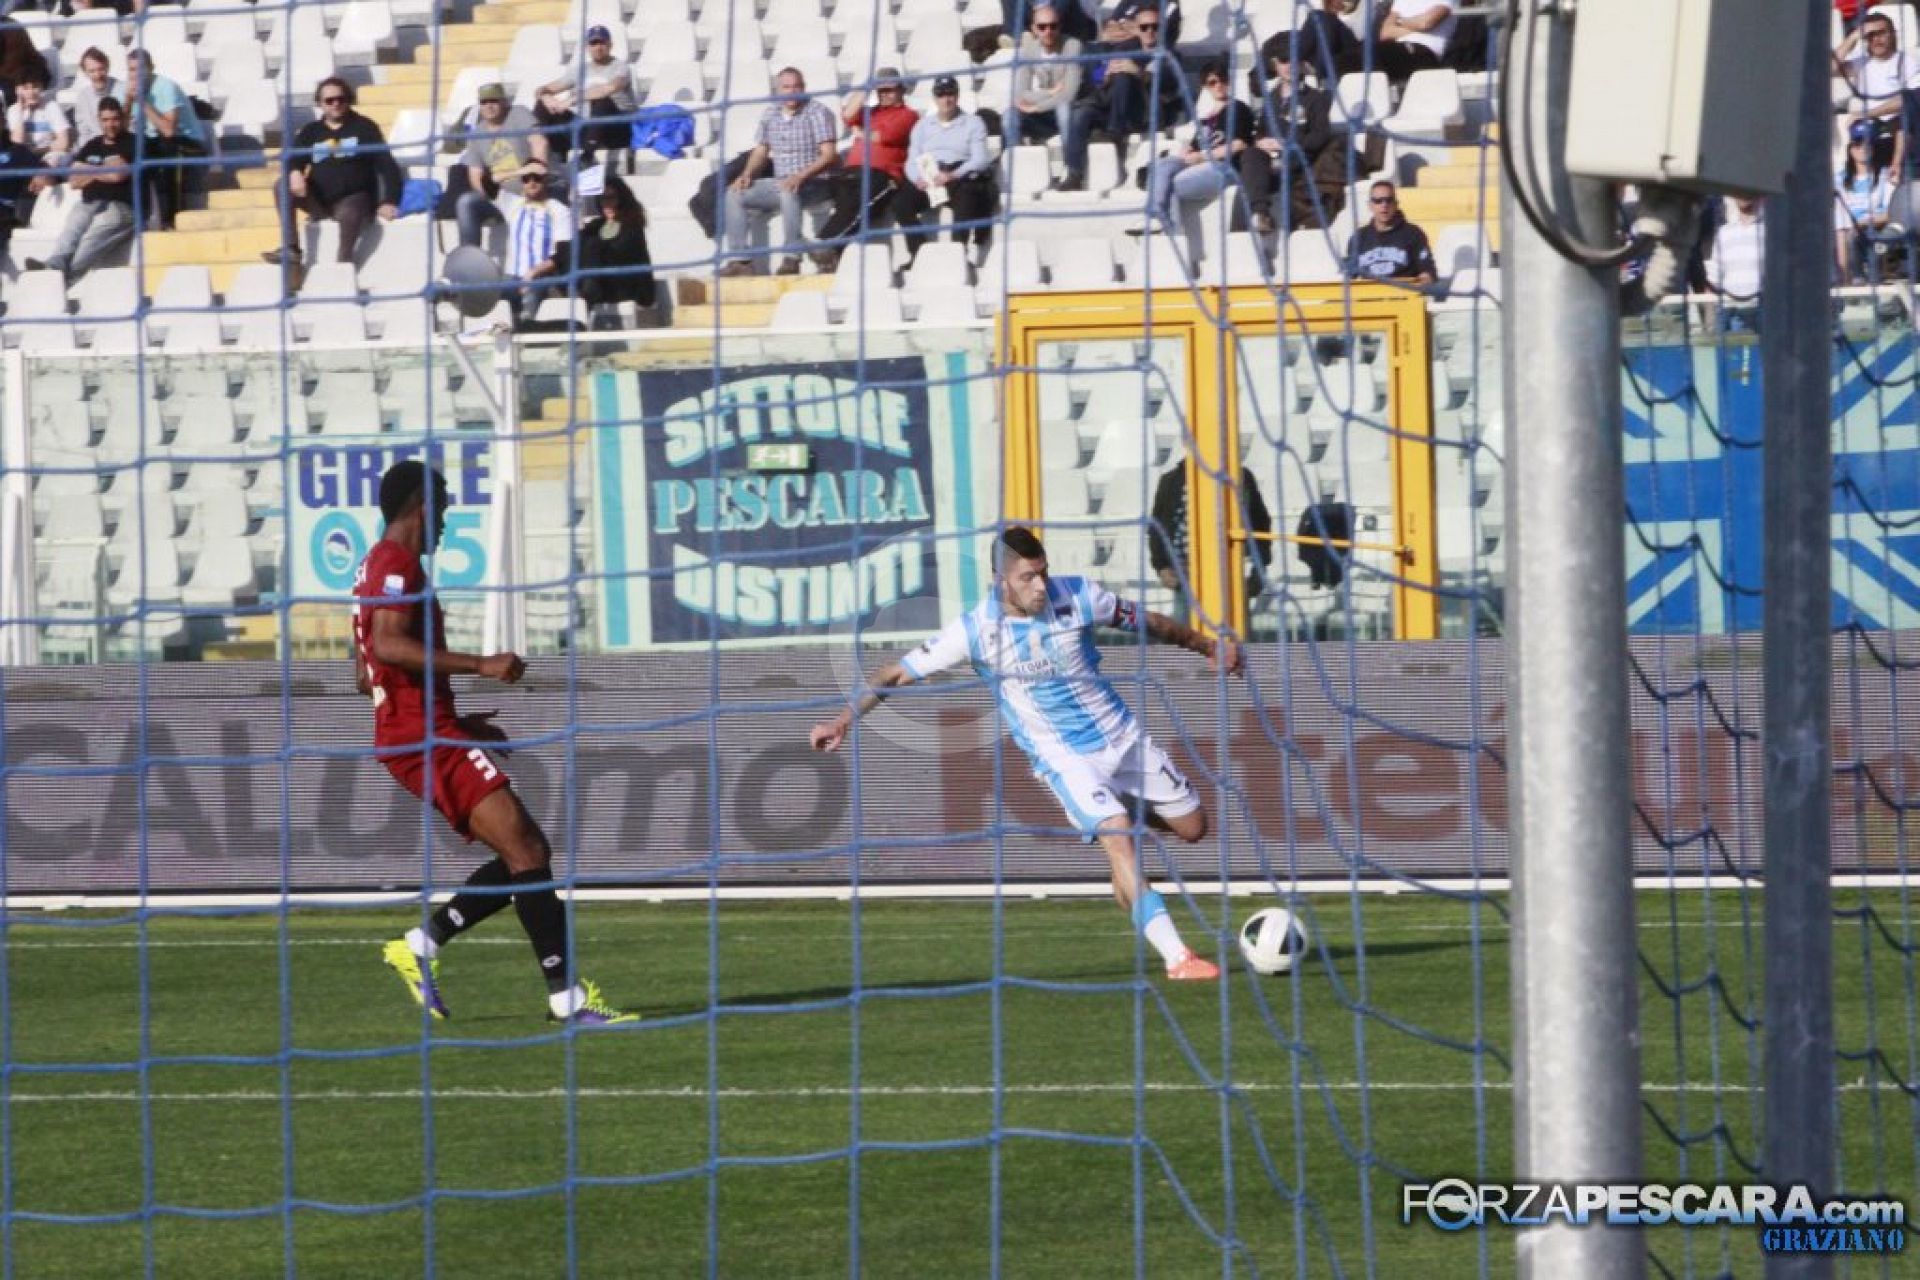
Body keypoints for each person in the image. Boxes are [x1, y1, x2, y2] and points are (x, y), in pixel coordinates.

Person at [809, 526, 1242, 982]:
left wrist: (1208, 647)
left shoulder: (1078, 595)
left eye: (1044, 573)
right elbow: (893, 675)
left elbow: (1149, 622)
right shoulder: (976, 630)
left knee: (1193, 827)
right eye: (1028, 578)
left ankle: (1120, 824)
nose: (1041, 586)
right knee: (1118, 837)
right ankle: (1178, 958)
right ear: (1001, 580)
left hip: (1123, 739)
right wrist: (841, 721)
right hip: (1063, 758)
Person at [358, 461, 635, 1027]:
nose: (445, 521)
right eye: (443, 507)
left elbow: (366, 674)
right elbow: (386, 646)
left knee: (525, 852)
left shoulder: (374, 566)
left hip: (423, 732)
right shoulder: (396, 563)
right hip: (422, 739)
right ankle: (566, 1001)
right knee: (528, 853)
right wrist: (481, 665)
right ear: (421, 506)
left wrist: (452, 718)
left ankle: (421, 945)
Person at [263, 78, 403, 272]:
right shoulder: (311, 131)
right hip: (318, 200)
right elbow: (292, 158)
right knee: (281, 185)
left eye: (340, 99)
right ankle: (291, 248)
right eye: (329, 100)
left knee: (351, 210)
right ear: (320, 104)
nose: (335, 104)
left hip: (353, 199)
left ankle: (343, 264)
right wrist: (294, 172)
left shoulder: (365, 127)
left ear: (348, 100)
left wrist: (389, 200)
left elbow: (387, 165)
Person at [720, 67, 839, 277]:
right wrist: (747, 174)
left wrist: (800, 176)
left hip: (815, 182)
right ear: (777, 90)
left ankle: (792, 257)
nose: (792, 91)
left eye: (796, 86)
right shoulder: (770, 113)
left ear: (803, 88)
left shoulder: (818, 112)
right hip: (781, 181)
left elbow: (829, 155)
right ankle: (740, 260)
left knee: (788, 190)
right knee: (734, 193)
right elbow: (760, 151)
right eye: (786, 87)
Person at [1058, 4, 1177, 191]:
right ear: (1136, 29)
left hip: (1144, 113)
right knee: (1081, 114)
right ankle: (1074, 173)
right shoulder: (1125, 48)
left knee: (1124, 75)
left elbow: (1168, 82)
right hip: (1112, 107)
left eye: (1155, 27)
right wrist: (1104, 75)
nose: (1150, 31)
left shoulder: (1169, 55)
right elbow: (1096, 77)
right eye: (1144, 27)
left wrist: (1137, 72)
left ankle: (1115, 133)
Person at [815, 67, 918, 272]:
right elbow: (847, 114)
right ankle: (831, 254)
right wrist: (866, 87)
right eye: (881, 90)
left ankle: (825, 243)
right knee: (847, 206)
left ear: (901, 90)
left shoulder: (908, 115)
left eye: (889, 90)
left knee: (857, 206)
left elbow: (885, 137)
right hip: (852, 172)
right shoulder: (871, 112)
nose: (884, 94)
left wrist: (860, 132)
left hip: (882, 174)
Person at [26, 97, 134, 281]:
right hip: (90, 202)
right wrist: (105, 169)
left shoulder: (132, 142)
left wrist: (89, 170)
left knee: (90, 239)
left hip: (122, 206)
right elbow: (74, 181)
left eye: (115, 119)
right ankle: (55, 265)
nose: (110, 125)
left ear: (122, 119)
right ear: (99, 119)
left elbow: (118, 176)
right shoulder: (92, 145)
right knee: (73, 228)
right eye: (105, 120)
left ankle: (59, 280)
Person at [1135, 62, 1250, 233]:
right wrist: (1188, 151)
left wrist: (1202, 156)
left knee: (1167, 185)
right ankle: (1158, 220)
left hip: (1225, 167)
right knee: (1162, 165)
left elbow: (1238, 145)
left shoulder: (1238, 108)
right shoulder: (1206, 119)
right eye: (1212, 82)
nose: (1219, 85)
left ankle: (1166, 227)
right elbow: (1195, 147)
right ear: (1205, 87)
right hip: (1201, 165)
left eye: (1223, 80)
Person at [894, 75, 998, 262]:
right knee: (900, 202)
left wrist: (953, 175)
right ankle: (919, 253)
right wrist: (918, 178)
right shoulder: (922, 125)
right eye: (941, 95)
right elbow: (911, 160)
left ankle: (957, 257)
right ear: (934, 98)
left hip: (958, 175)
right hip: (930, 174)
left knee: (967, 197)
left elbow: (980, 159)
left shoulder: (973, 122)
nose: (946, 99)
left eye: (950, 94)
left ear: (957, 96)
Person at [1150, 462, 1274, 609]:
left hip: (1230, 575)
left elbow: (1260, 523)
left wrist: (1259, 569)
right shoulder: (1171, 480)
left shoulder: (1240, 476)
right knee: (1187, 621)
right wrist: (1162, 566)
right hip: (1185, 577)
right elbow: (1156, 527)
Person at [1238, 50, 1335, 234]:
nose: (1289, 65)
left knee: (1258, 174)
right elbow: (1260, 131)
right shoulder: (1271, 98)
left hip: (1299, 159)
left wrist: (1285, 143)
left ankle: (1265, 217)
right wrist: (1261, 142)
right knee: (1250, 156)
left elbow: (1320, 136)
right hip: (1270, 159)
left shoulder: (1316, 98)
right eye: (1284, 60)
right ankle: (1261, 214)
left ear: (1301, 65)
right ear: (1276, 65)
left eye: (1294, 60)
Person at [455, 82, 549, 249]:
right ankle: (470, 256)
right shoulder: (477, 133)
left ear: (504, 102)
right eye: (484, 102)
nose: (489, 106)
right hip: (502, 197)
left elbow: (539, 143)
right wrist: (489, 197)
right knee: (466, 202)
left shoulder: (518, 113)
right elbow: (475, 174)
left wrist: (535, 179)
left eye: (494, 101)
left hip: (534, 189)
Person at [126, 49, 208, 231]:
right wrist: (127, 101)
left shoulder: (166, 87)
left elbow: (169, 130)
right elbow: (123, 129)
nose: (136, 74)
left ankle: (173, 217)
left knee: (169, 148)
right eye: (131, 69)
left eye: (140, 69)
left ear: (151, 68)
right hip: (156, 140)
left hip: (187, 141)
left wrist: (142, 102)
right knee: (133, 151)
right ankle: (141, 219)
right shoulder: (128, 89)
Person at [1834, 8, 1920, 170]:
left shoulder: (1907, 63)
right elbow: (1829, 69)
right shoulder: (1861, 63)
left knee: (1903, 120)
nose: (1876, 39)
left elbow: (1910, 100)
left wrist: (1868, 113)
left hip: (1900, 126)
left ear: (1893, 34)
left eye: (1881, 33)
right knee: (1859, 129)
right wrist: (1854, 36)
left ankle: (1896, 167)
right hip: (1870, 128)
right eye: (1870, 35)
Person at [536, 24, 635, 158]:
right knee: (542, 106)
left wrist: (573, 99)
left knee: (601, 101)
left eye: (602, 43)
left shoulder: (620, 68)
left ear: (610, 45)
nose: (598, 47)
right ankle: (545, 157)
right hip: (586, 126)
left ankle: (587, 157)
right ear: (588, 47)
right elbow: (543, 89)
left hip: (616, 125)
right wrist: (545, 97)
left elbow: (610, 88)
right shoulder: (580, 70)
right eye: (594, 43)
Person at [501, 158, 572, 321]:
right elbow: (487, 182)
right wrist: (519, 172)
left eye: (537, 178)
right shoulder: (512, 204)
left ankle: (527, 331)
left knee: (532, 292)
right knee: (488, 293)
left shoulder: (559, 210)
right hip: (512, 277)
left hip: (543, 276)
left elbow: (562, 254)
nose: (531, 182)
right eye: (526, 178)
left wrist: (533, 273)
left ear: (546, 179)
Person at [575, 178, 655, 317]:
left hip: (624, 283)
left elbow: (620, 253)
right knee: (575, 247)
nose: (607, 203)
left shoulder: (632, 226)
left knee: (593, 246)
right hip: (599, 283)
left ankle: (589, 289)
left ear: (621, 199)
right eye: (603, 198)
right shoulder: (596, 225)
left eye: (611, 198)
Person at [1835, 122, 1900, 283]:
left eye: (1868, 143)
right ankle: (1850, 280)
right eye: (1858, 143)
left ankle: (1869, 279)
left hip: (1877, 229)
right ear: (1850, 149)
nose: (1863, 147)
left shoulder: (1886, 176)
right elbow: (1839, 220)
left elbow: (1892, 213)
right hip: (1848, 232)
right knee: (1846, 235)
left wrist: (1865, 223)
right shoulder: (1839, 180)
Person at [1011, 6, 1084, 147]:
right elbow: (1020, 96)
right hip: (1046, 112)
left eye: (1053, 26)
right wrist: (1050, 92)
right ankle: (1013, 157)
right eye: (1042, 27)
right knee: (1010, 116)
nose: (1048, 31)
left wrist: (1037, 107)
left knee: (1063, 109)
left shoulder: (1072, 46)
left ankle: (1070, 158)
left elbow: (1069, 94)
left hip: (1071, 110)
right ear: (1034, 29)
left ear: (1060, 27)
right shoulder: (1029, 50)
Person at [1338, 0, 1455, 86]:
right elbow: (1385, 33)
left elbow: (1426, 23)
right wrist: (1415, 26)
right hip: (1397, 49)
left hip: (1425, 52)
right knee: (1347, 60)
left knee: (1371, 56)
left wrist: (1398, 23)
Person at [1345, 180, 1435, 285]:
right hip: (1370, 293)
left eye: (1389, 200)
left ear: (1396, 204)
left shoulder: (1413, 234)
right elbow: (1349, 276)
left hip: (1404, 292)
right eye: (1378, 201)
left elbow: (1428, 272)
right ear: (1370, 205)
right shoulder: (1358, 237)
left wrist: (1424, 280)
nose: (1384, 205)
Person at [1704, 195, 1763, 332]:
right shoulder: (1723, 233)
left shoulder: (1769, 232)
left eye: (1748, 192)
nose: (1744, 196)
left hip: (1761, 309)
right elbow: (1714, 276)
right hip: (1728, 310)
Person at [8, 72, 70, 167]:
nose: (31, 92)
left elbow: (63, 142)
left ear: (41, 88)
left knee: (52, 162)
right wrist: (20, 111)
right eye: (26, 88)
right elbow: (17, 142)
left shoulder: (52, 106)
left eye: (35, 87)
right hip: (24, 156)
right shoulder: (13, 110)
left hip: (50, 154)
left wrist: (38, 151)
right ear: (17, 90)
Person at [69, 46, 121, 149]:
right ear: (85, 72)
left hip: (119, 145)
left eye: (101, 69)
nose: (97, 75)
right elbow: (84, 132)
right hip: (94, 147)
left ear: (107, 67)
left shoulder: (121, 89)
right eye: (92, 71)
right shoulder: (83, 97)